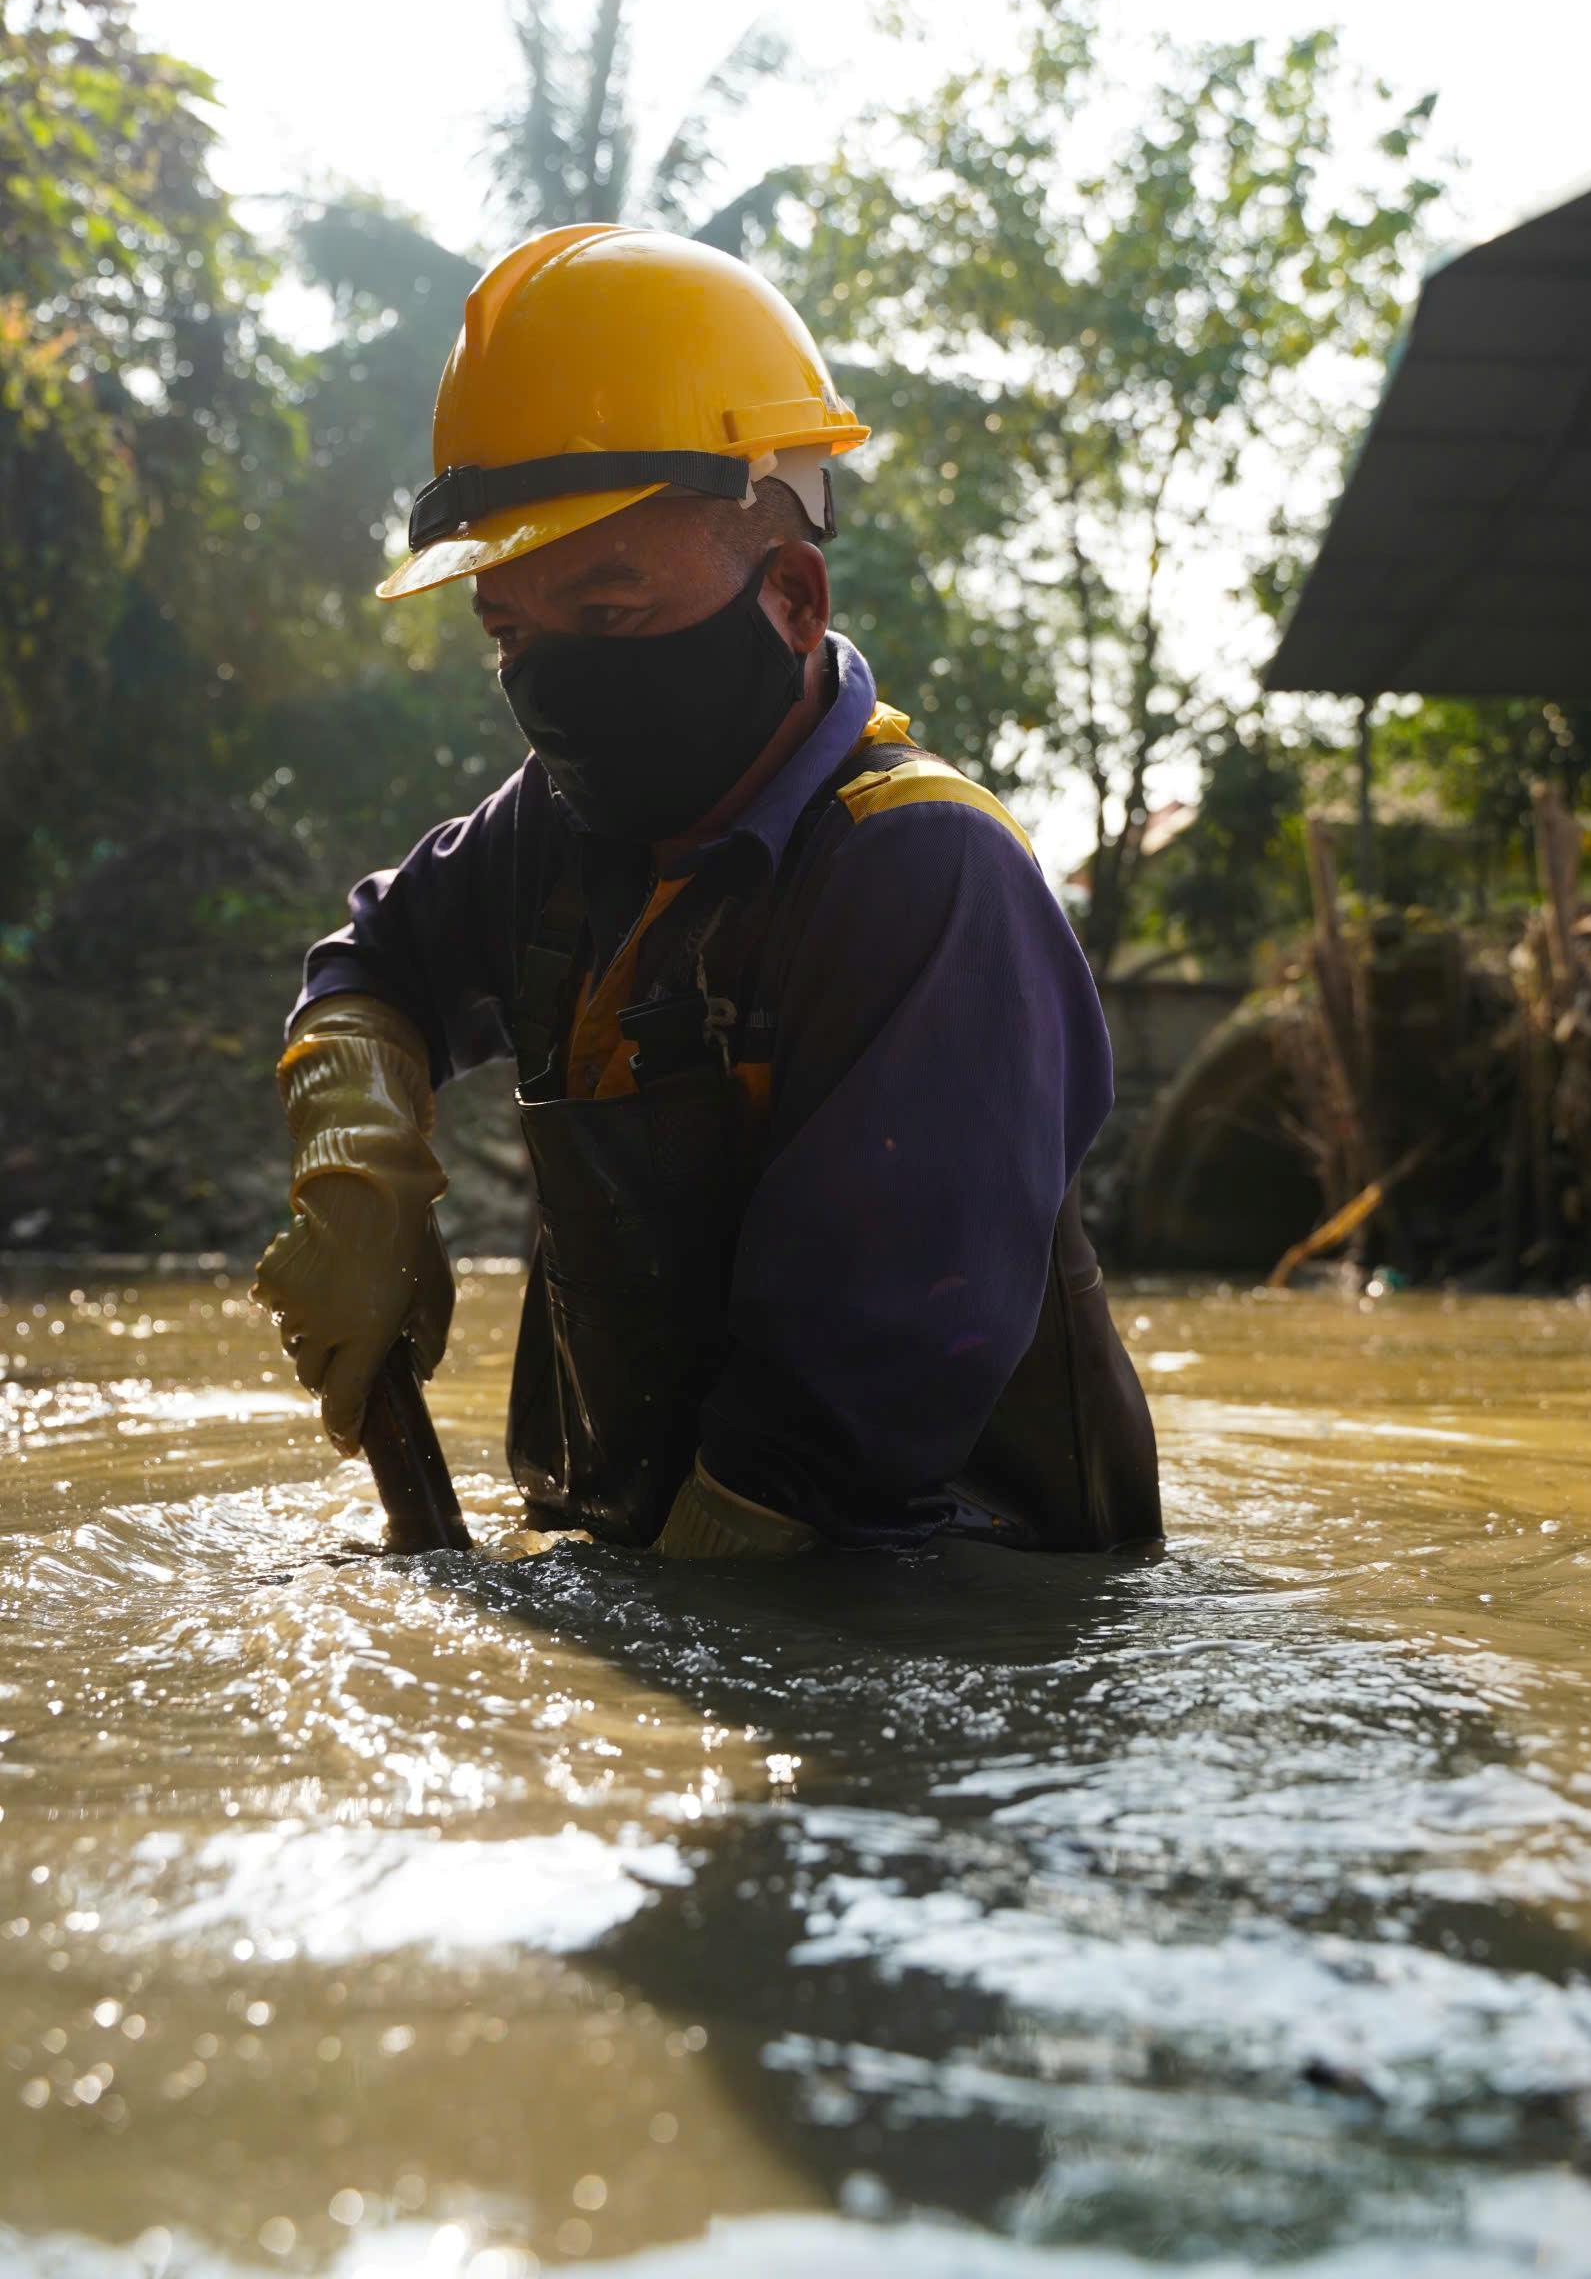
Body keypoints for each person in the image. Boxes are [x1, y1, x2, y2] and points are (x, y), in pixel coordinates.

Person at [254, 224, 1161, 1560]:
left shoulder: (926, 873)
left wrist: (627, 1688)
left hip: (947, 1626)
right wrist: (358, 1166)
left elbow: (833, 1437)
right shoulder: (561, 834)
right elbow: (377, 962)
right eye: (510, 631)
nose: (547, 679)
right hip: (656, 1562)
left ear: (794, 596)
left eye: (609, 613)